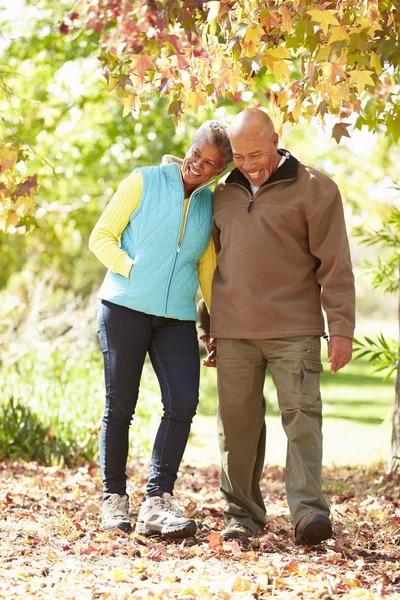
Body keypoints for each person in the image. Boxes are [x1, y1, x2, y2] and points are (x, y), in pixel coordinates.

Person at [197, 108, 355, 546]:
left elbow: (336, 264)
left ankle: (308, 514)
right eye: (241, 157)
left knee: (302, 419)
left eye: (258, 153)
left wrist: (341, 327)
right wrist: (205, 328)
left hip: (294, 329)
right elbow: (208, 266)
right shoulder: (220, 194)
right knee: (237, 425)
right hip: (233, 331)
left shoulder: (316, 188)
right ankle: (242, 515)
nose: (250, 164)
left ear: (276, 139)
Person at [89, 120, 232, 537]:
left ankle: (157, 500)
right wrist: (133, 268)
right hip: (124, 307)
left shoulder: (208, 204)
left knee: (184, 400)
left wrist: (217, 325)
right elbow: (102, 237)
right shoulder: (143, 181)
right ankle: (113, 499)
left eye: (209, 164)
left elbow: (207, 267)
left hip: (176, 319)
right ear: (187, 148)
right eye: (195, 155)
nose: (197, 166)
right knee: (120, 405)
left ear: (219, 171)